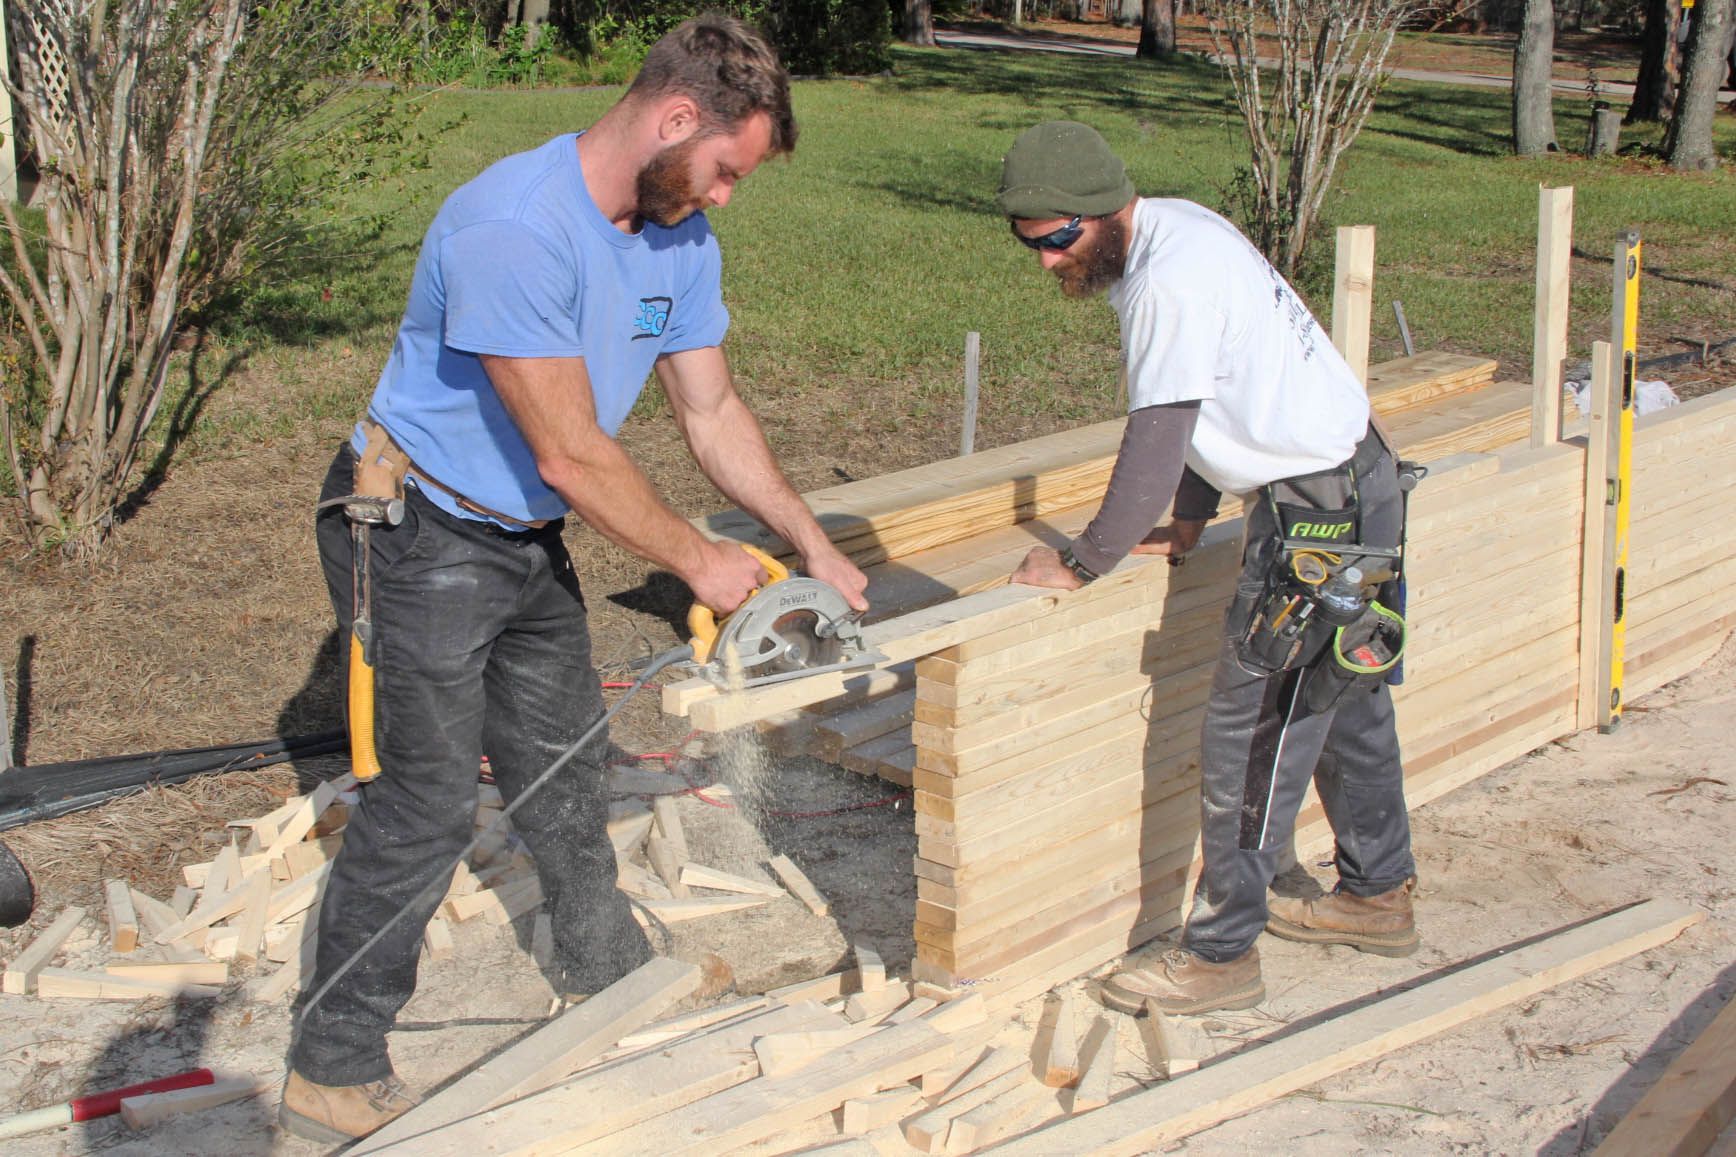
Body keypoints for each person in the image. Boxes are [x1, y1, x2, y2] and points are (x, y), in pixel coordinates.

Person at [282, 15, 867, 1143]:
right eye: (725, 171)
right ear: (675, 117)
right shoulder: (512, 225)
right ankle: (331, 1059)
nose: (727, 197)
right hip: (417, 524)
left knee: (563, 758)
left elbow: (710, 409)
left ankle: (605, 963)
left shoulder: (678, 240)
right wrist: (698, 558)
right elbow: (566, 449)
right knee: (428, 797)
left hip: (521, 532)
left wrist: (806, 542)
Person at [996, 121, 1419, 1018]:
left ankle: (1223, 951)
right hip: (1356, 482)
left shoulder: (1165, 282)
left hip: (1317, 518)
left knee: (1252, 729)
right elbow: (1208, 397)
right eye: (1027, 243)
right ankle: (1377, 892)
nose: (1044, 262)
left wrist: (1085, 560)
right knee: (1345, 692)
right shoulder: (1179, 227)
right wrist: (1189, 521)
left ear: (1104, 214)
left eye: (1056, 240)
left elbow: (1157, 435)